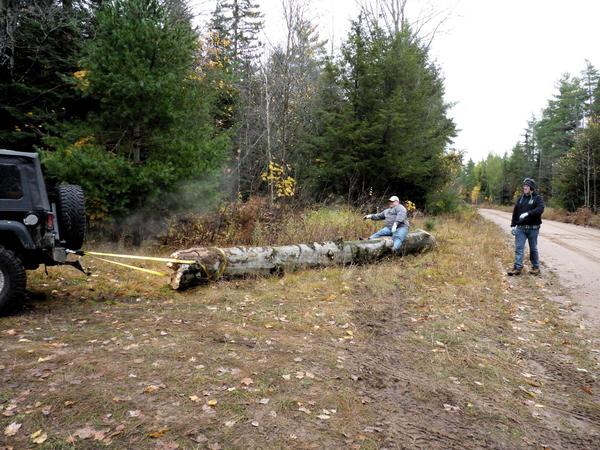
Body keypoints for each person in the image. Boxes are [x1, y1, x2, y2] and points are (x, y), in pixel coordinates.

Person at [508, 178, 545, 276]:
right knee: (519, 248)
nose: (525, 187)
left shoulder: (537, 198)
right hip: (521, 229)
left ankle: (536, 267)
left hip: (533, 228)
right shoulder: (520, 199)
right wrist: (513, 225)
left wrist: (528, 213)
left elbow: (540, 209)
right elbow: (515, 213)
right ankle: (517, 268)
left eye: (527, 186)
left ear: (531, 188)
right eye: (524, 186)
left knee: (533, 249)